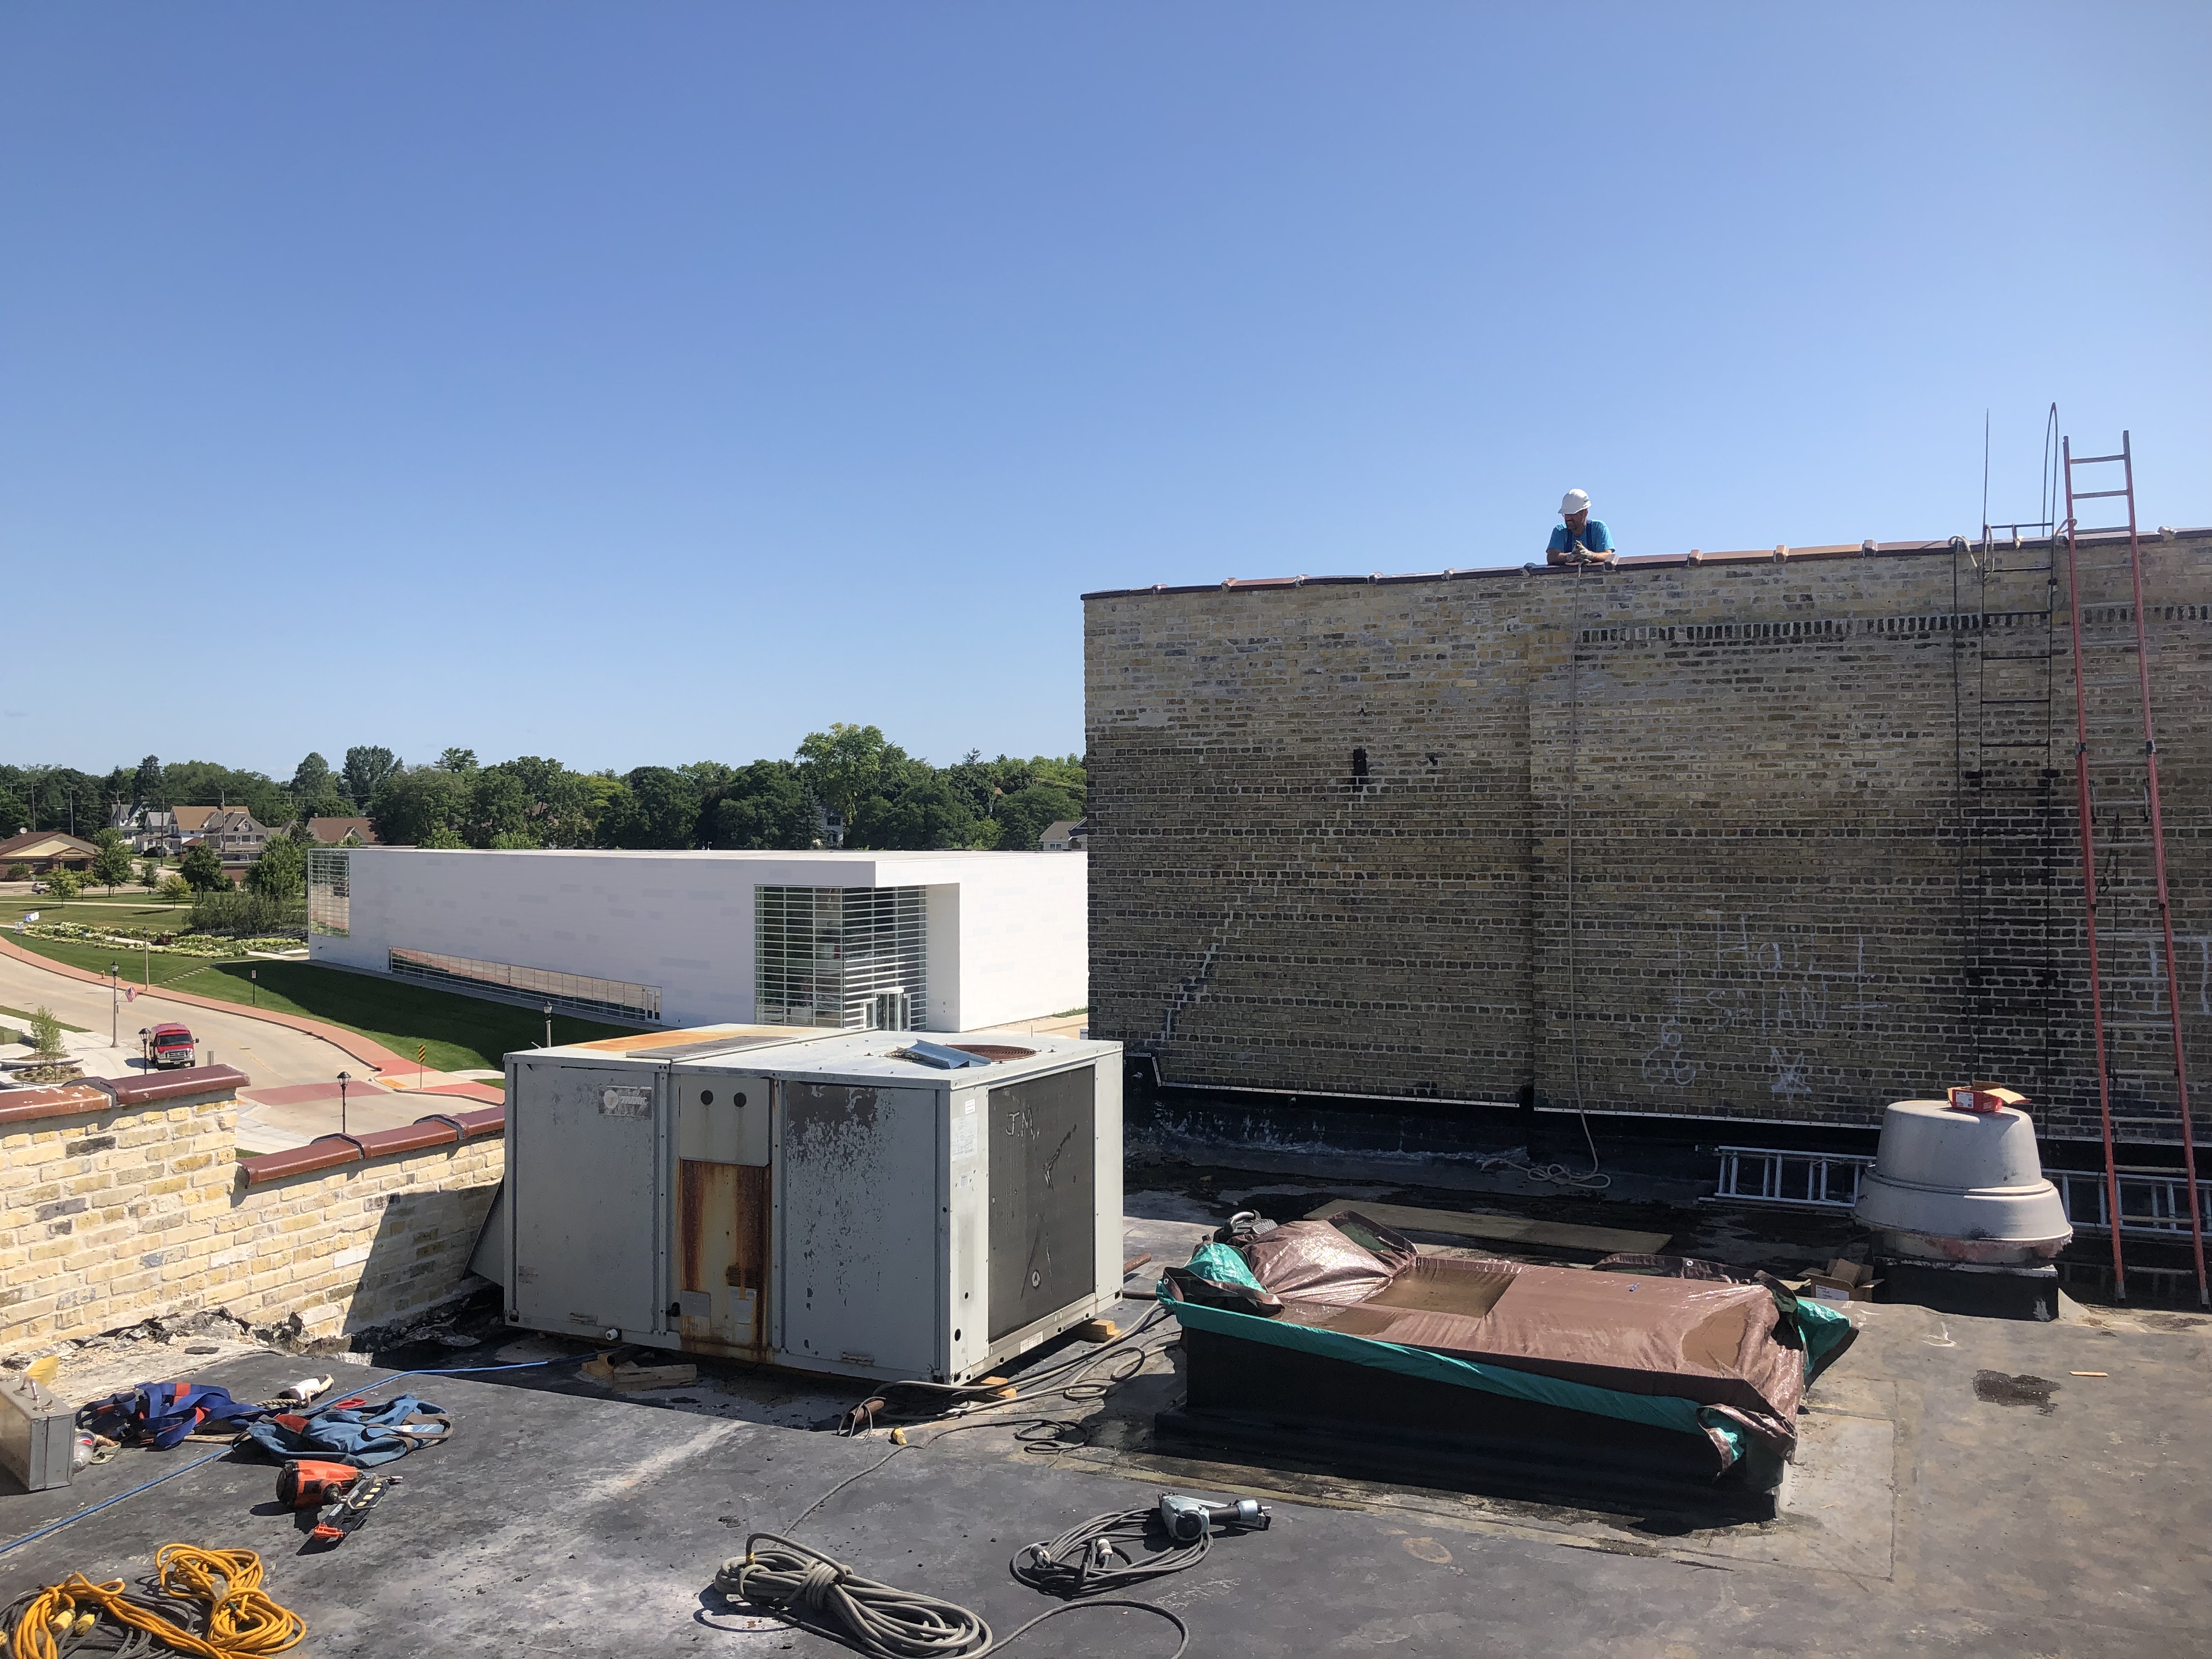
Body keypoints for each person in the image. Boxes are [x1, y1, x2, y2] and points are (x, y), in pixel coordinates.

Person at [1546, 489, 1615, 565]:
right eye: (1566, 514)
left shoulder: (1599, 528)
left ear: (1585, 513)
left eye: (1573, 514)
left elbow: (1608, 555)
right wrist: (1570, 556)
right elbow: (1552, 557)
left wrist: (1590, 555)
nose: (1568, 518)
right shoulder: (1560, 531)